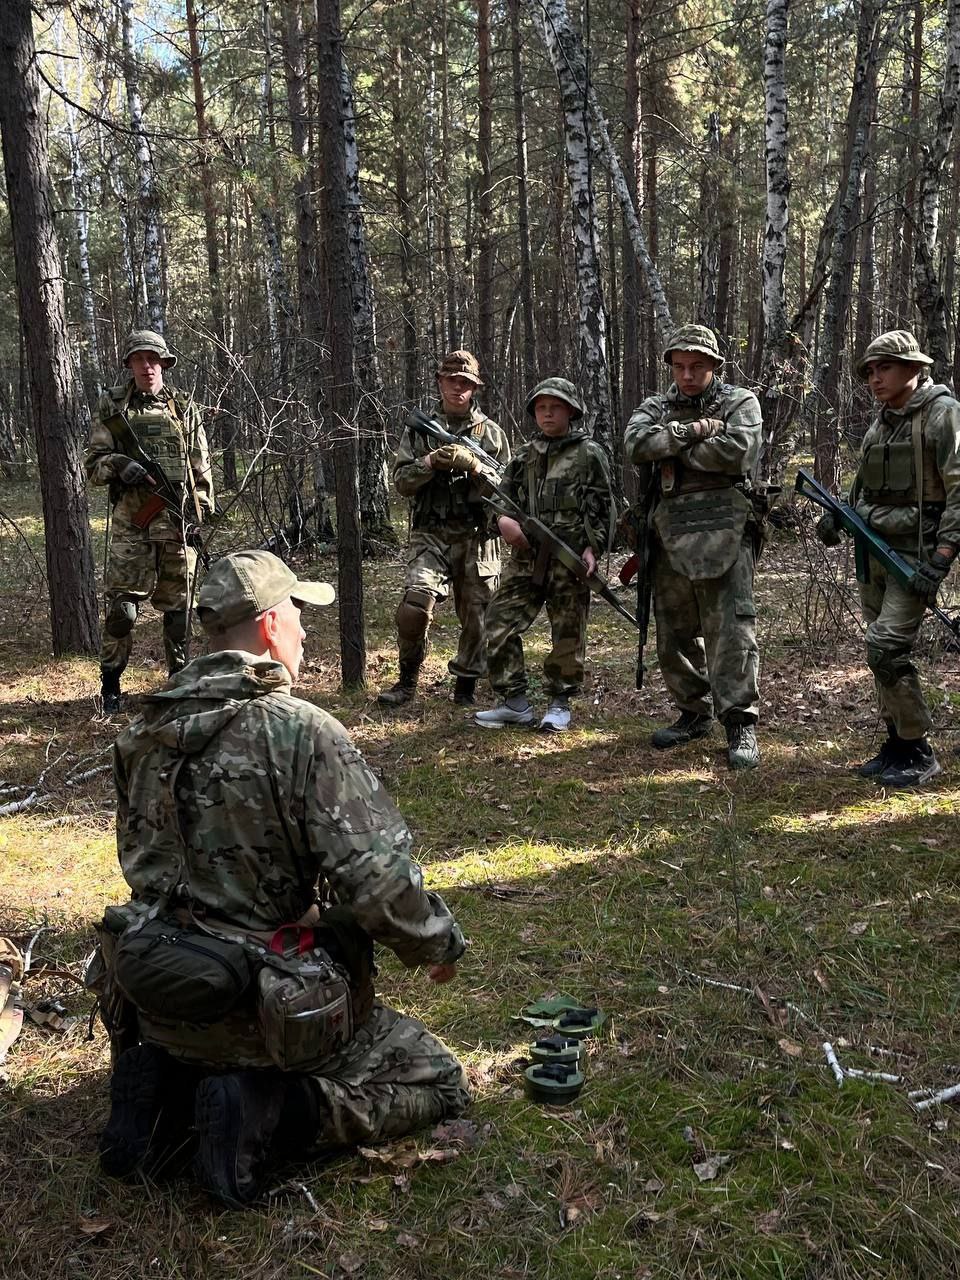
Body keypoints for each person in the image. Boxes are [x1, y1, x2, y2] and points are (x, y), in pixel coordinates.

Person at [95, 550, 469, 1206]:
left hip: (160, 999)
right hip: (270, 1014)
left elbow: (148, 872)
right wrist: (436, 944)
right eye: (298, 615)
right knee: (438, 1079)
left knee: (187, 1040)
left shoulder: (144, 732)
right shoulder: (300, 733)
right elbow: (378, 881)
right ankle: (271, 1113)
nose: (304, 631)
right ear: (269, 626)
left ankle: (162, 1092)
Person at [816, 330, 960, 787]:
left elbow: (959, 489)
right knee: (880, 652)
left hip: (914, 557)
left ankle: (918, 749)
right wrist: (839, 515)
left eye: (886, 368)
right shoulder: (882, 423)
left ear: (914, 369)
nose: (876, 379)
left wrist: (942, 556)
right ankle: (897, 741)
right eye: (871, 371)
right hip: (875, 554)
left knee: (885, 646)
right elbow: (863, 486)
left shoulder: (942, 414)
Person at [624, 324, 763, 769]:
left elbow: (737, 451)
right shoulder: (655, 406)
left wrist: (671, 448)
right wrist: (695, 433)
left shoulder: (740, 402)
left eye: (697, 366)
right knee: (674, 631)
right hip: (668, 531)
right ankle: (692, 712)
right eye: (680, 366)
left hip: (726, 527)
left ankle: (739, 722)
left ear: (715, 366)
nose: (687, 374)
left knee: (731, 631)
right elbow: (635, 444)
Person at [85, 329, 214, 714]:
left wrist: (199, 513)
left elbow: (200, 466)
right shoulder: (113, 409)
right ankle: (110, 687)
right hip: (131, 524)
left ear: (164, 365)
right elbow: (92, 465)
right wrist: (118, 464)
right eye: (139, 359)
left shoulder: (183, 408)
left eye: (154, 359)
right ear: (129, 365)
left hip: (176, 522)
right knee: (122, 611)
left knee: (178, 611)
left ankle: (179, 681)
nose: (147, 366)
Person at [474, 377, 613, 733]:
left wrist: (592, 548)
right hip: (526, 559)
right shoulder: (524, 456)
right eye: (541, 408)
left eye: (555, 407)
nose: (547, 414)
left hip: (569, 561)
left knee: (567, 631)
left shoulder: (589, 454)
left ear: (570, 411)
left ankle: (560, 702)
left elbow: (603, 508)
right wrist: (503, 520)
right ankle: (514, 702)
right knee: (499, 621)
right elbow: (501, 499)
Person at [378, 350, 511, 708]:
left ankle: (465, 688)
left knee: (477, 616)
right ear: (439, 383)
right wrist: (430, 462)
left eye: (465, 383)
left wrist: (476, 470)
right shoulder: (419, 432)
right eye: (451, 381)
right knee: (414, 605)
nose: (457, 388)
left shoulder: (493, 435)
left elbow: (508, 492)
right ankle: (407, 682)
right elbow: (401, 482)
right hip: (431, 533)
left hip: (476, 535)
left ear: (474, 388)